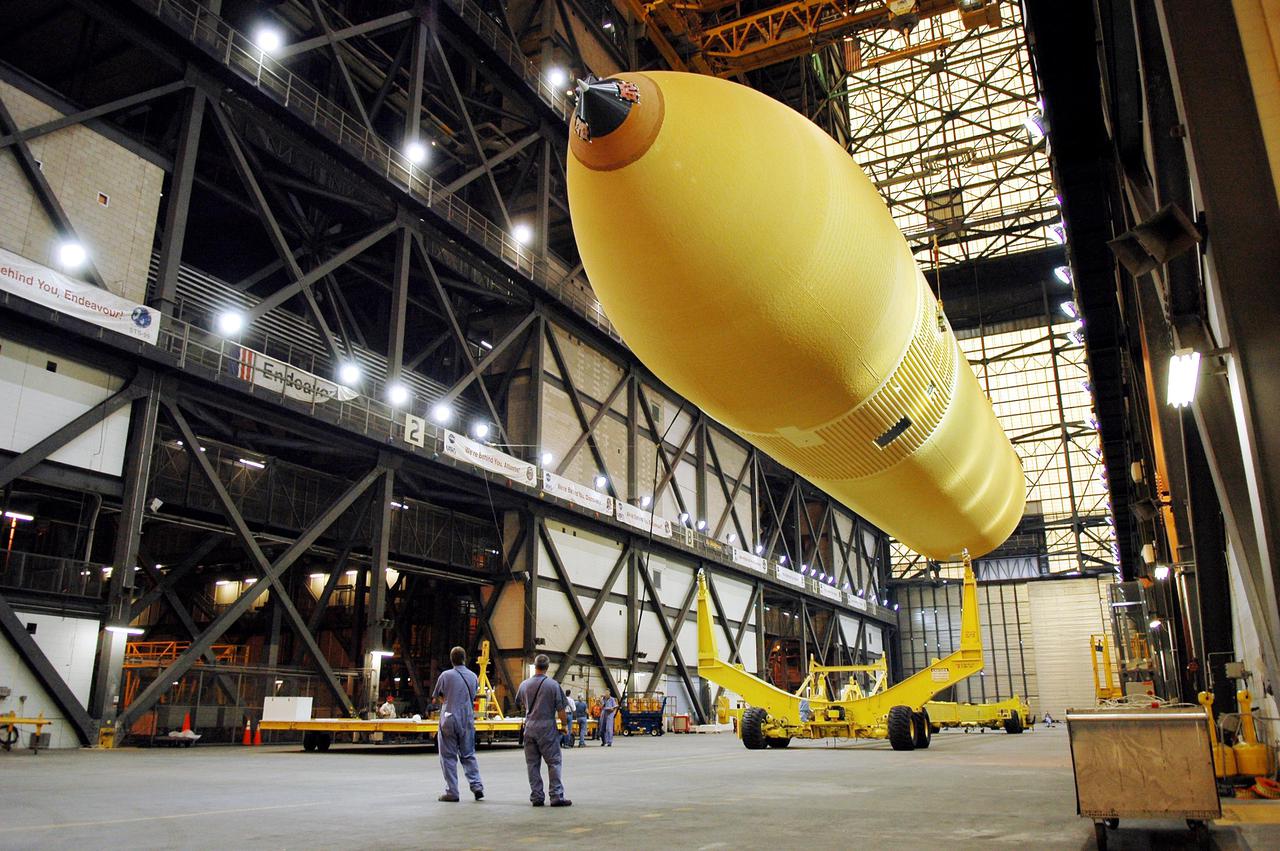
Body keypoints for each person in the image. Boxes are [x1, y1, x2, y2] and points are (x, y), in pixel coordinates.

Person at [516, 654, 572, 807]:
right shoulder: (553, 685)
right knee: (554, 762)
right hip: (547, 728)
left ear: (535, 666)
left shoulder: (524, 685)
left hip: (529, 727)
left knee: (532, 764)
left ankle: (537, 797)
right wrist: (565, 726)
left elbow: (519, 703)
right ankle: (556, 796)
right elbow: (561, 710)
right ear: (548, 667)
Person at [432, 646, 484, 803]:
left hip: (449, 717)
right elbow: (473, 696)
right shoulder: (473, 676)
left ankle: (452, 792)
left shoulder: (445, 675)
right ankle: (477, 786)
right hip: (466, 718)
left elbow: (437, 696)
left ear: (451, 659)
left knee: (448, 756)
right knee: (468, 754)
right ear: (465, 658)